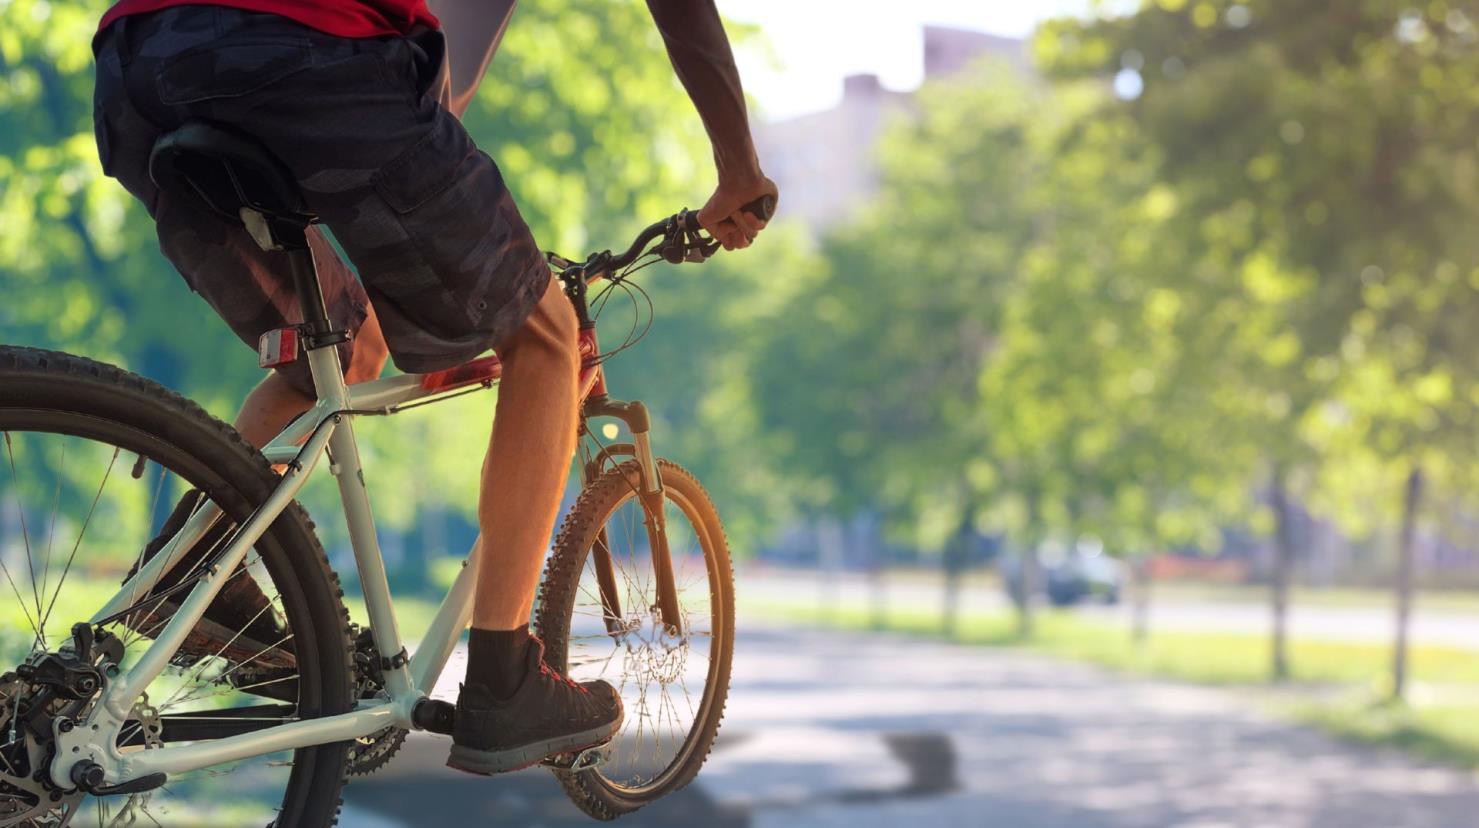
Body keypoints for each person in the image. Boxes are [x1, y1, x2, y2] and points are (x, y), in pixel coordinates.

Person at [90, 0, 777, 774]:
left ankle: (191, 562)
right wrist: (739, 171)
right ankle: (503, 680)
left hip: (137, 70)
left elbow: (441, 93)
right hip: (303, 56)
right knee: (546, 338)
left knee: (339, 354)